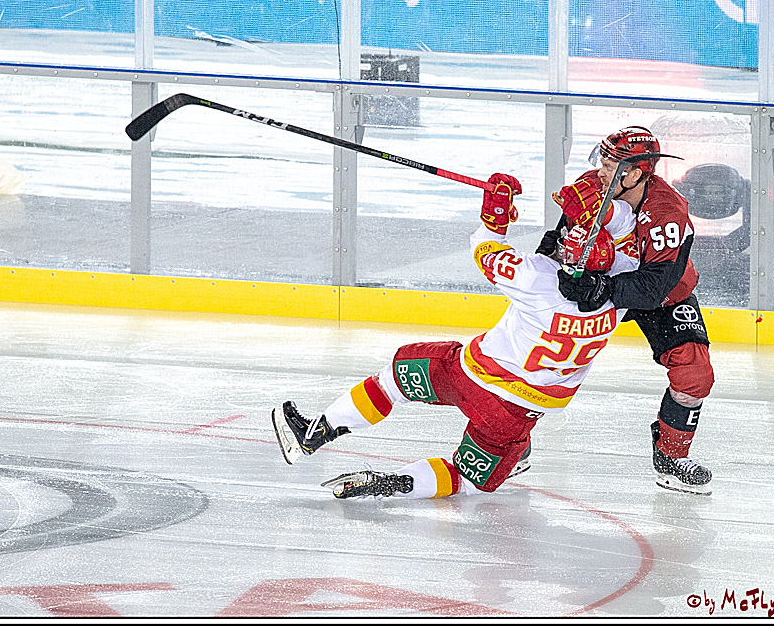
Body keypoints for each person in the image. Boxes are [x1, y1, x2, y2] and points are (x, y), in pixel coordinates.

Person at [271, 173, 641, 500]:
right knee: (469, 481)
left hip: (467, 378)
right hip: (517, 415)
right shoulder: (620, 297)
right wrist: (610, 219)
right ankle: (399, 483)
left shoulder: (538, 276)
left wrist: (494, 214)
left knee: (391, 381)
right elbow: (627, 243)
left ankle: (314, 434)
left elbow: (484, 248)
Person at [548, 126, 714, 495]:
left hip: (660, 294)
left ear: (635, 173)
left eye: (608, 165)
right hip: (601, 281)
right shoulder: (595, 184)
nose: (598, 171)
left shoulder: (667, 214)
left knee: (695, 374)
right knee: (542, 360)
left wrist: (601, 287)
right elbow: (566, 230)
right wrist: (550, 255)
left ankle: (671, 458)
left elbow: (654, 286)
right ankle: (511, 439)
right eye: (601, 161)